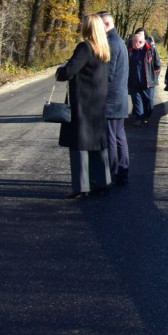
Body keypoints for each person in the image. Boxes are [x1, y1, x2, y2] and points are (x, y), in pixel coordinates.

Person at [56, 14, 112, 199]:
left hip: (83, 103)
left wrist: (60, 70)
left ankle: (81, 186)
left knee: (79, 144)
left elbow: (68, 72)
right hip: (98, 102)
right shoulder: (103, 48)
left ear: (87, 28)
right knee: (97, 143)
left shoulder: (85, 47)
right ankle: (101, 181)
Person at [99, 11, 130, 186]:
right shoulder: (119, 41)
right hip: (119, 98)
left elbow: (107, 75)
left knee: (111, 138)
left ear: (106, 24)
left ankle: (112, 173)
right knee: (119, 136)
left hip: (111, 99)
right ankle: (122, 172)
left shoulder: (111, 43)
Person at [128, 32, 160, 124]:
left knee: (149, 100)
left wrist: (154, 77)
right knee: (137, 100)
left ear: (141, 42)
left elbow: (157, 66)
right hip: (134, 80)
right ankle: (139, 118)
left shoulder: (151, 50)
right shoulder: (130, 50)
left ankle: (147, 116)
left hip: (148, 81)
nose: (133, 43)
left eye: (134, 42)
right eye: (133, 41)